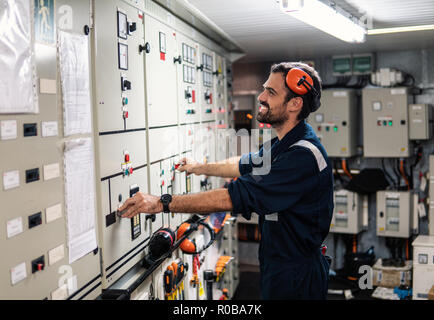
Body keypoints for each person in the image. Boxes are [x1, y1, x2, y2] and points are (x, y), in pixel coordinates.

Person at [118, 62, 334, 300]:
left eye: (271, 92)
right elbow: (241, 163)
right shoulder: (283, 144)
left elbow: (231, 196)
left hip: (298, 275)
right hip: (279, 264)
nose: (261, 96)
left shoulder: (302, 155)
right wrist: (200, 168)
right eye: (264, 89)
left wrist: (161, 202)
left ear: (295, 103)